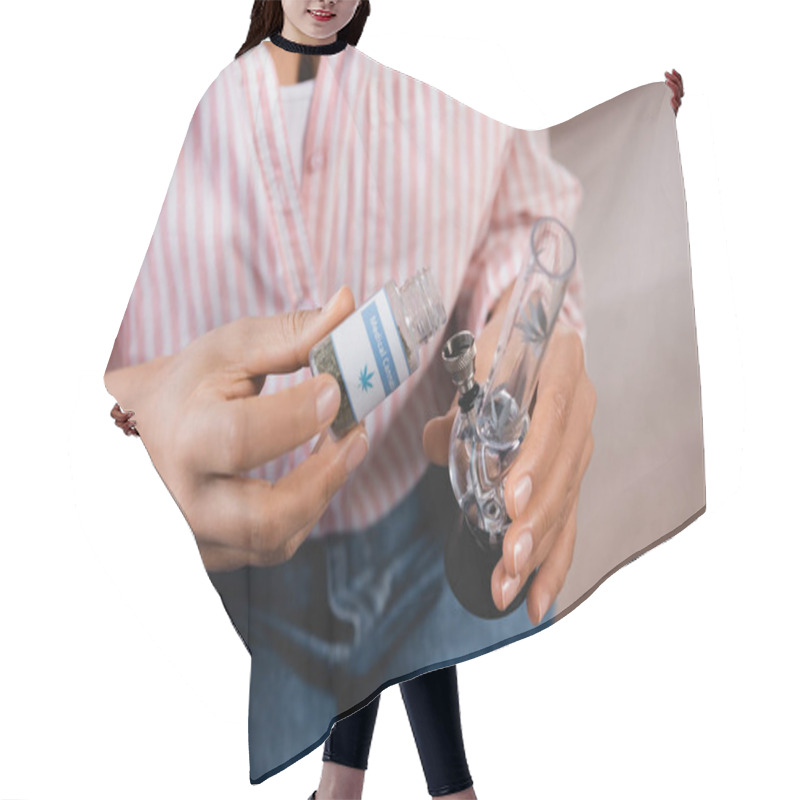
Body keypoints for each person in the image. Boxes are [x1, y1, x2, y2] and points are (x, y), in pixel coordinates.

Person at [106, 1, 683, 795]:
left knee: (393, 605)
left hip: (394, 384)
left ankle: (372, 788)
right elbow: (186, 257)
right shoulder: (228, 101)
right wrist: (150, 383)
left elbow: (513, 172)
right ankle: (407, 789)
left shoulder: (389, 94)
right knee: (360, 605)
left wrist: (643, 113)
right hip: (294, 414)